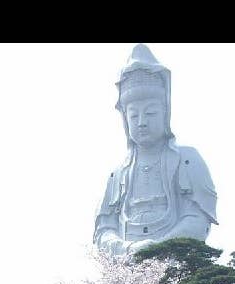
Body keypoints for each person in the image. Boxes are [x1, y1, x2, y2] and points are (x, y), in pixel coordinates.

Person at [92, 44, 217, 257]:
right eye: (133, 116)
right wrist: (127, 249)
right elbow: (103, 231)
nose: (141, 122)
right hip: (126, 265)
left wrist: (159, 250)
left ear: (164, 113)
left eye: (150, 114)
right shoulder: (117, 174)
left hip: (175, 262)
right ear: (125, 120)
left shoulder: (186, 158)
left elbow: (198, 218)